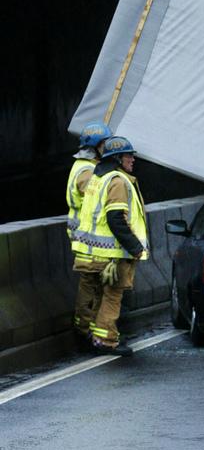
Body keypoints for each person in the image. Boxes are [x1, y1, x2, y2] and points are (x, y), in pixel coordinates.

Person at [72, 136, 148, 356]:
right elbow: (116, 218)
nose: (132, 159)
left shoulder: (98, 176)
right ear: (117, 158)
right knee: (113, 295)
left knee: (97, 294)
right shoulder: (117, 181)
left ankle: (92, 334)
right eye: (128, 155)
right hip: (112, 253)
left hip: (92, 251)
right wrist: (135, 247)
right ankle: (105, 340)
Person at [65, 121, 113, 350]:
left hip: (87, 237)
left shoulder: (86, 166)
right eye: (105, 144)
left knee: (93, 285)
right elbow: (96, 197)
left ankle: (87, 329)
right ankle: (84, 331)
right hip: (87, 239)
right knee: (90, 285)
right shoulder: (86, 171)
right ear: (96, 146)